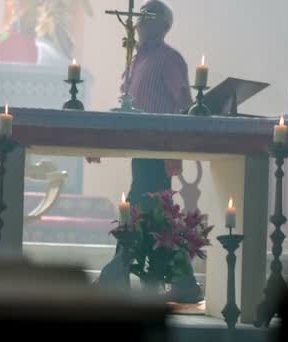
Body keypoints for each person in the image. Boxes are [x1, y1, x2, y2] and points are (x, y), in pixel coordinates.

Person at [92, 0, 201, 303]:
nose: (141, 21)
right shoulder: (136, 58)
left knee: (146, 212)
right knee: (155, 216)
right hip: (141, 146)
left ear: (165, 26)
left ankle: (120, 276)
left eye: (150, 17)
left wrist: (176, 147)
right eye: (141, 16)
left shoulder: (168, 58)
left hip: (159, 145)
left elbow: (182, 100)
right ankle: (181, 282)